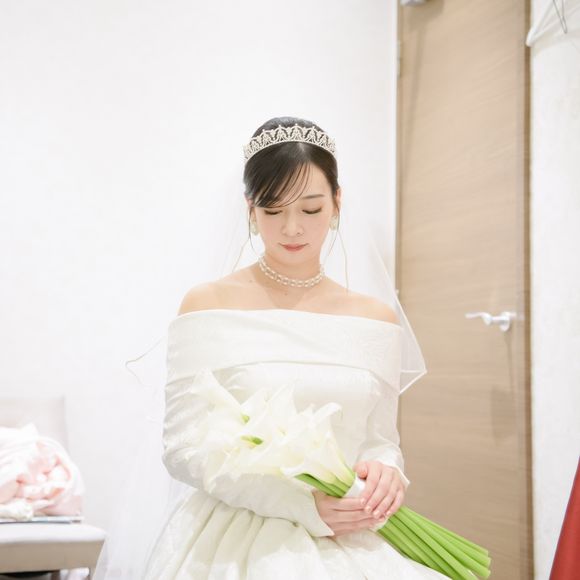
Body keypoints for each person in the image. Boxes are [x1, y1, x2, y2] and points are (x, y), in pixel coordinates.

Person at [136, 117, 448, 578]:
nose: (293, 228)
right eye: (273, 210)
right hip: (235, 535)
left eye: (311, 209)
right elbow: (183, 447)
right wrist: (299, 505)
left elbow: (379, 439)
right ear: (250, 209)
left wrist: (386, 472)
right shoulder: (208, 305)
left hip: (349, 528)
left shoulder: (375, 319)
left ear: (337, 203)